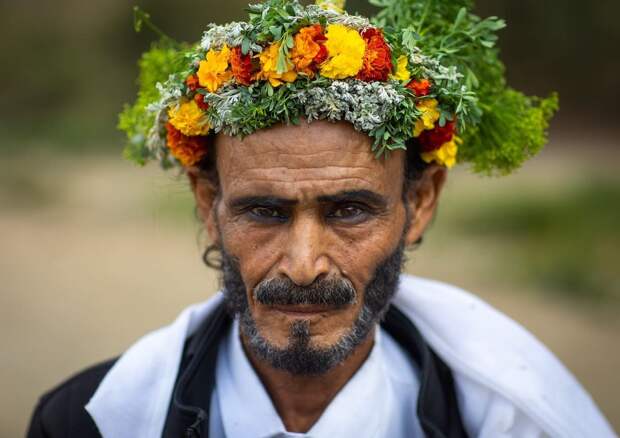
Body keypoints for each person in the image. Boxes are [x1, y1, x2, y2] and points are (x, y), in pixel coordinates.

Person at [27, 0, 615, 437]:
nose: (304, 265)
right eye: (264, 211)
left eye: (350, 210)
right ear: (209, 204)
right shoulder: (87, 421)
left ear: (422, 202)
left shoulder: (508, 420)